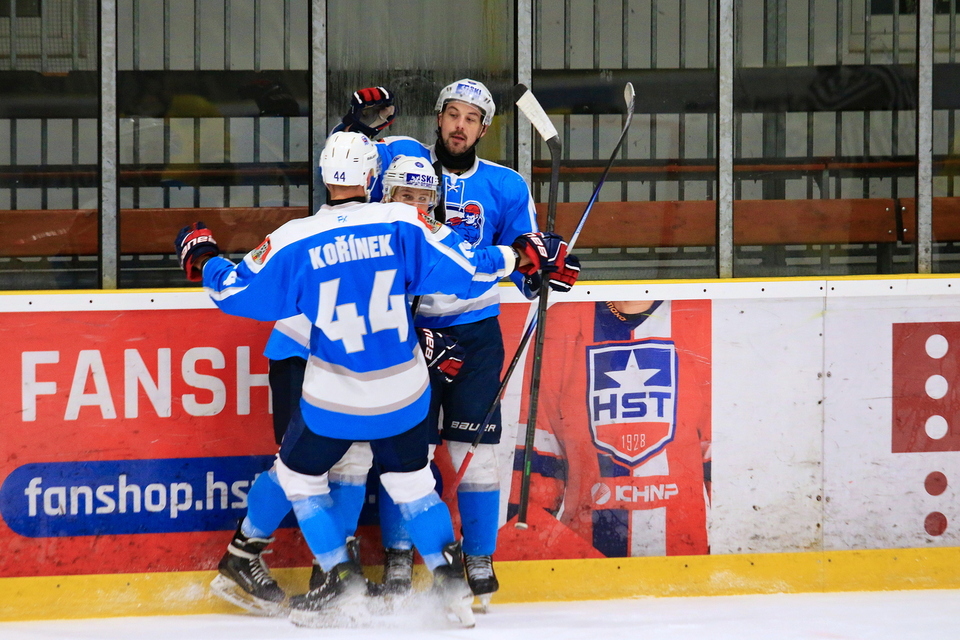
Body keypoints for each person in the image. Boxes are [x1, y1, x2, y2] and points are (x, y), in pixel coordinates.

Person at [174, 131, 578, 627]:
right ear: (374, 180)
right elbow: (470, 268)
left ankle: (331, 578)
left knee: (299, 474)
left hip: (335, 386)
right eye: (408, 193)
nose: (417, 202)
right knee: (404, 480)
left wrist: (205, 260)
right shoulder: (405, 224)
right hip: (391, 385)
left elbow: (236, 290)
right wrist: (522, 256)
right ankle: (448, 583)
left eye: (423, 195)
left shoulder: (295, 237)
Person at [352, 78, 581, 608]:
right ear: (438, 118)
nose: (460, 125)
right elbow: (348, 175)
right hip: (408, 329)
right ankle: (399, 556)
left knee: (475, 453)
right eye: (452, 114)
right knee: (406, 452)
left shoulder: (506, 185)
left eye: (471, 118)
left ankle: (479, 558)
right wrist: (355, 126)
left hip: (475, 334)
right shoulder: (403, 164)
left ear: (484, 129)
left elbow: (525, 262)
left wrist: (546, 272)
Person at [500, 300, 712, 560]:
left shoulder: (697, 313)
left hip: (684, 556)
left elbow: (719, 451)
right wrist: (522, 550)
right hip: (585, 556)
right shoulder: (563, 319)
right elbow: (541, 447)